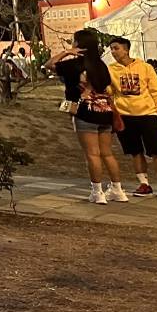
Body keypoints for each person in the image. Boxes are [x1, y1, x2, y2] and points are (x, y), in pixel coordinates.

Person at [49, 29, 126, 205]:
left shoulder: (74, 65)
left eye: (73, 41)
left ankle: (97, 192)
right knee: (107, 153)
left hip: (85, 113)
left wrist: (66, 52)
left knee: (92, 154)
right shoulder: (101, 65)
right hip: (104, 112)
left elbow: (49, 64)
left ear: (78, 44)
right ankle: (118, 190)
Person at [106, 36, 157, 198]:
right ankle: (144, 184)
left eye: (116, 48)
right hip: (125, 116)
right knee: (135, 151)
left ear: (126, 49)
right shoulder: (111, 69)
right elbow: (109, 91)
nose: (113, 52)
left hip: (147, 114)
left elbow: (155, 91)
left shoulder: (145, 67)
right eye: (111, 49)